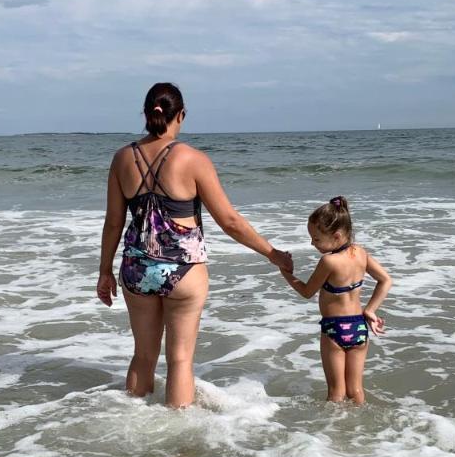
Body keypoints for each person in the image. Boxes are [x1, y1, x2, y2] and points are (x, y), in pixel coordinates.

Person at [96, 83, 293, 408]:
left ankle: (130, 423)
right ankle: (179, 443)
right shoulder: (193, 159)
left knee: (143, 357)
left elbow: (114, 222)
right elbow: (229, 221)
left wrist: (104, 271)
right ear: (181, 115)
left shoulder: (122, 159)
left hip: (137, 269)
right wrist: (272, 253)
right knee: (179, 361)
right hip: (183, 271)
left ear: (146, 114)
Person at [279, 196, 392, 404]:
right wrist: (370, 310)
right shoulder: (361, 253)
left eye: (316, 238)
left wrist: (286, 272)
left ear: (337, 235)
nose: (312, 243)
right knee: (356, 390)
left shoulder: (328, 261)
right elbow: (385, 280)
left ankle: (334, 432)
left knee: (336, 393)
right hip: (359, 327)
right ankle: (361, 430)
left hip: (334, 329)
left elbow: (306, 292)